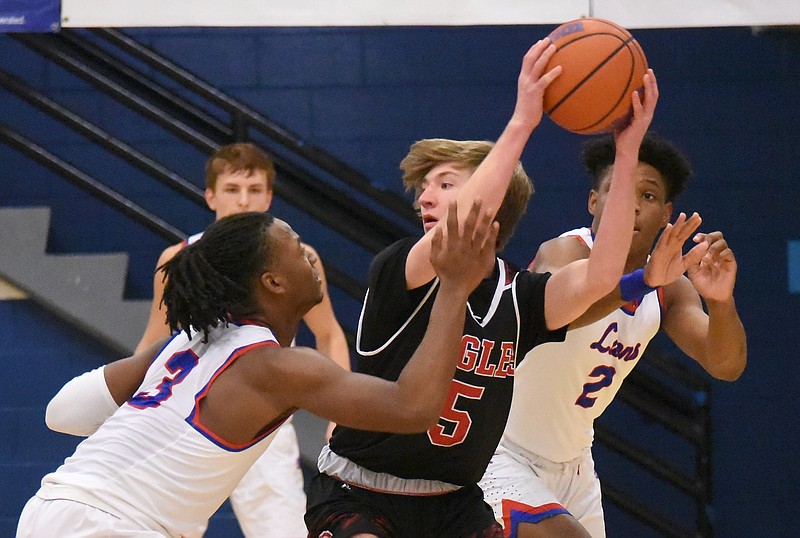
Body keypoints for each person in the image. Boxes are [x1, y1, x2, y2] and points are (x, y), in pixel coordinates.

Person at [304, 37, 659, 538]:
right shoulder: (400, 270)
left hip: (453, 503)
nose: (425, 196)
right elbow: (459, 230)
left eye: (445, 184)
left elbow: (603, 274)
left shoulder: (520, 297)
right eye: (424, 188)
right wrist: (522, 122)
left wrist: (627, 153)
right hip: (361, 490)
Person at [17, 203, 499, 538]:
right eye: (293, 246)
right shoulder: (276, 366)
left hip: (48, 510)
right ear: (272, 281)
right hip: (109, 525)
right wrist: (455, 288)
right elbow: (413, 407)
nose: (309, 254)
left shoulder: (187, 342)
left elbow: (61, 413)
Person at [478, 133, 748, 538]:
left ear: (666, 213)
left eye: (649, 196)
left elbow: (726, 365)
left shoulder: (670, 289)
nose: (633, 204)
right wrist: (643, 281)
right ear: (594, 201)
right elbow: (562, 315)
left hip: (574, 463)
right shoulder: (567, 252)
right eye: (618, 189)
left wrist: (722, 302)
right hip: (498, 448)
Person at [130, 142, 349, 536]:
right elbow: (151, 346)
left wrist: (340, 418)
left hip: (263, 424)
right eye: (232, 190)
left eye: (253, 190)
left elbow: (330, 334)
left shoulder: (301, 259)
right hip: (183, 420)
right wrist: (125, 414)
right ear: (211, 195)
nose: (243, 201)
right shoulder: (177, 259)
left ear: (268, 197)